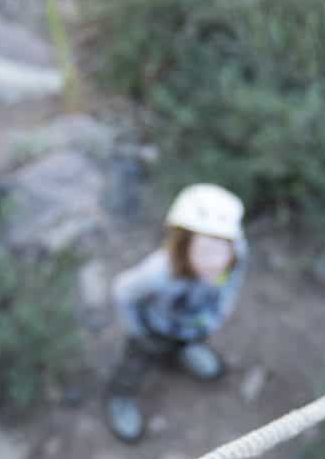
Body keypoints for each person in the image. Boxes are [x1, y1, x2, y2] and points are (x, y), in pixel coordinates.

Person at [104, 184, 248, 444]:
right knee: (136, 363)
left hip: (196, 327)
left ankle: (184, 352)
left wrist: (221, 311)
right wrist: (137, 329)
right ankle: (121, 396)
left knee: (189, 342)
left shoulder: (236, 254)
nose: (218, 261)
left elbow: (233, 282)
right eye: (206, 250)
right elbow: (122, 291)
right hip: (154, 329)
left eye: (223, 247)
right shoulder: (159, 272)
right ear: (182, 245)